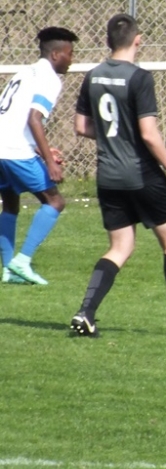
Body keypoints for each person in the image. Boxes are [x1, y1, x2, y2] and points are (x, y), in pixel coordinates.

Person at [69, 13, 166, 338]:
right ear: (138, 40)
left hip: (108, 177)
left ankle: (86, 312)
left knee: (120, 247)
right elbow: (149, 134)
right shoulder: (139, 78)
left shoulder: (93, 76)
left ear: (107, 41)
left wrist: (112, 138)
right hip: (141, 174)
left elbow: (81, 127)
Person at [0, 26, 78, 285]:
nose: (71, 60)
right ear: (56, 54)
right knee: (55, 201)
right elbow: (34, 119)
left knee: (10, 204)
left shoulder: (24, 72)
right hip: (14, 151)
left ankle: (9, 269)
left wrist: (39, 148)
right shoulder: (50, 79)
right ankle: (22, 261)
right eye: (69, 53)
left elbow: (12, 118)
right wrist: (49, 161)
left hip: (3, 148)